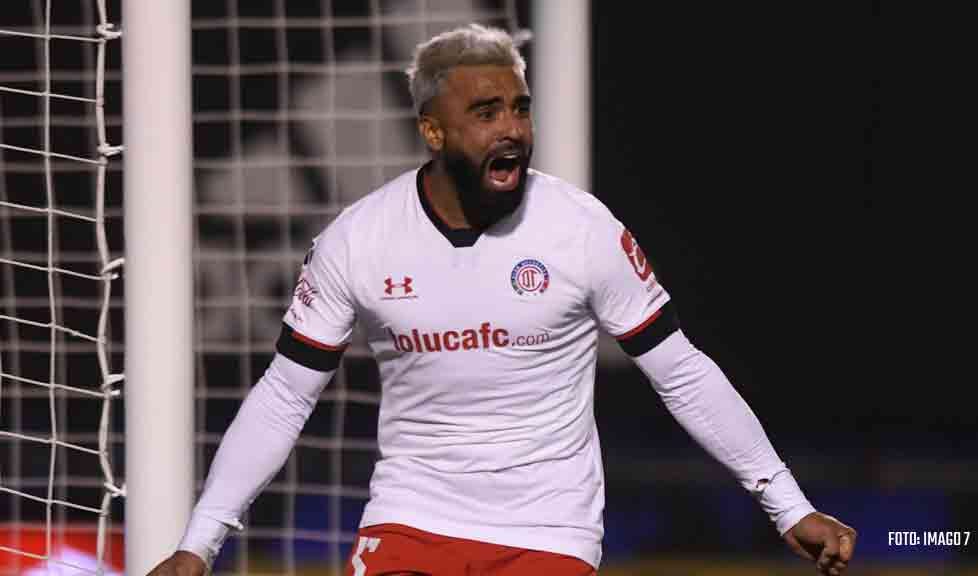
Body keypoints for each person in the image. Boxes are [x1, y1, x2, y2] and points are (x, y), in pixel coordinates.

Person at [147, 24, 856, 576]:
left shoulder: (581, 230)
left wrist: (788, 505)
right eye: (486, 112)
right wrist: (200, 544)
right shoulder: (359, 241)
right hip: (410, 521)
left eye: (519, 107)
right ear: (433, 131)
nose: (512, 128)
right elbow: (284, 397)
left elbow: (680, 371)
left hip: (548, 533)